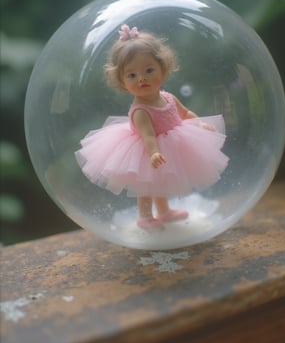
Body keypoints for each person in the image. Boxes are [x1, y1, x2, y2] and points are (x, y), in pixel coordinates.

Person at [75, 24, 229, 231]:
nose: (142, 78)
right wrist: (154, 153)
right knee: (146, 185)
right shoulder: (141, 110)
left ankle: (164, 212)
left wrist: (199, 123)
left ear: (163, 68)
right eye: (131, 75)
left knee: (161, 182)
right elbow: (147, 136)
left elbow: (185, 113)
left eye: (149, 70)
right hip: (147, 151)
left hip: (173, 143)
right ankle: (145, 216)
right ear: (121, 81)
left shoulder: (168, 97)